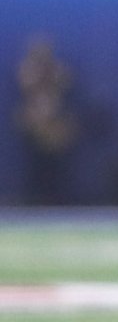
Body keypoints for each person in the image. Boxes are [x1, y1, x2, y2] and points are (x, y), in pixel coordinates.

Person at [14, 38, 81, 204]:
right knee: (36, 166)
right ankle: (33, 201)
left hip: (57, 129)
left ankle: (61, 200)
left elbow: (67, 86)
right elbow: (24, 90)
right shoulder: (26, 71)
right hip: (34, 128)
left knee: (58, 168)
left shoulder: (60, 71)